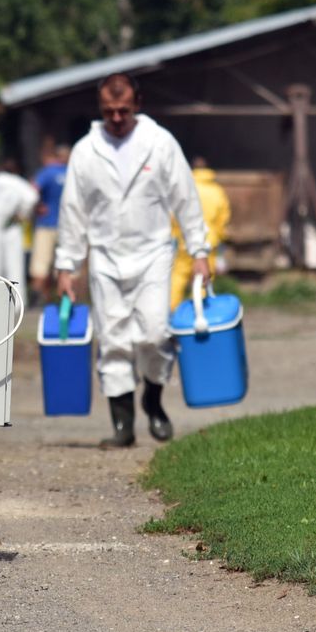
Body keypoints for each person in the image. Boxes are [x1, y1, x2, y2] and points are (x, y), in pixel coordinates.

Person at [55, 74, 209, 447]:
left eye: (124, 110)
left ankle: (153, 401)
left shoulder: (159, 143)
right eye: (110, 111)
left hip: (153, 252)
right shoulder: (86, 151)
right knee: (113, 339)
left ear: (137, 104)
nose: (118, 117)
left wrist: (200, 252)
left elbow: (186, 199)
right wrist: (66, 266)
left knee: (155, 332)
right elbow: (73, 211)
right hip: (105, 256)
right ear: (100, 108)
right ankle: (122, 425)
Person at [170, 156, 231, 310]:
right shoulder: (217, 191)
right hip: (208, 241)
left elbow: (173, 215)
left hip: (184, 240)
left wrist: (175, 234)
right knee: (203, 278)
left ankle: (171, 312)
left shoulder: (184, 188)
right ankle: (198, 311)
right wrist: (221, 237)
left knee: (178, 277)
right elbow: (223, 217)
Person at [0, 158, 38, 286]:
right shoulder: (17, 182)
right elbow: (32, 197)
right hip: (11, 228)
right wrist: (22, 213)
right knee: (14, 267)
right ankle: (16, 302)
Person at [29, 144, 70, 303]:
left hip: (46, 223)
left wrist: (37, 206)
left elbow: (31, 190)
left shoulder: (47, 172)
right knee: (65, 266)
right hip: (67, 226)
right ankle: (64, 299)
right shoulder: (72, 172)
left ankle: (38, 298)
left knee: (41, 264)